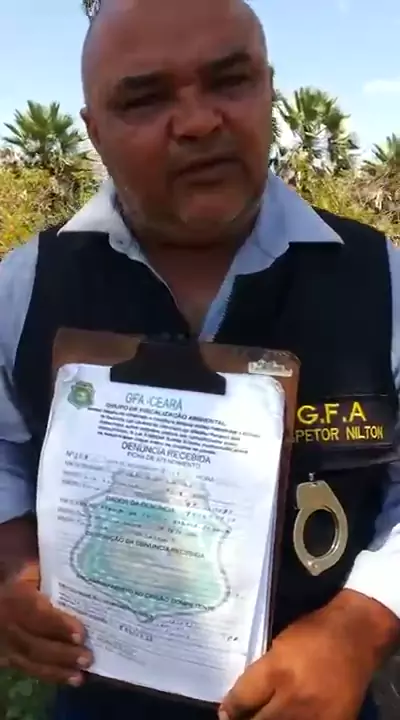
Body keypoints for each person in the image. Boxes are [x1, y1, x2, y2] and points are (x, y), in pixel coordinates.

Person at [0, 0, 399, 718]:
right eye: (144, 98)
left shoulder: (384, 281)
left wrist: (361, 623)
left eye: (229, 80)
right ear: (94, 130)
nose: (197, 122)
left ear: (269, 89)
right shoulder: (22, 287)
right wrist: (9, 561)